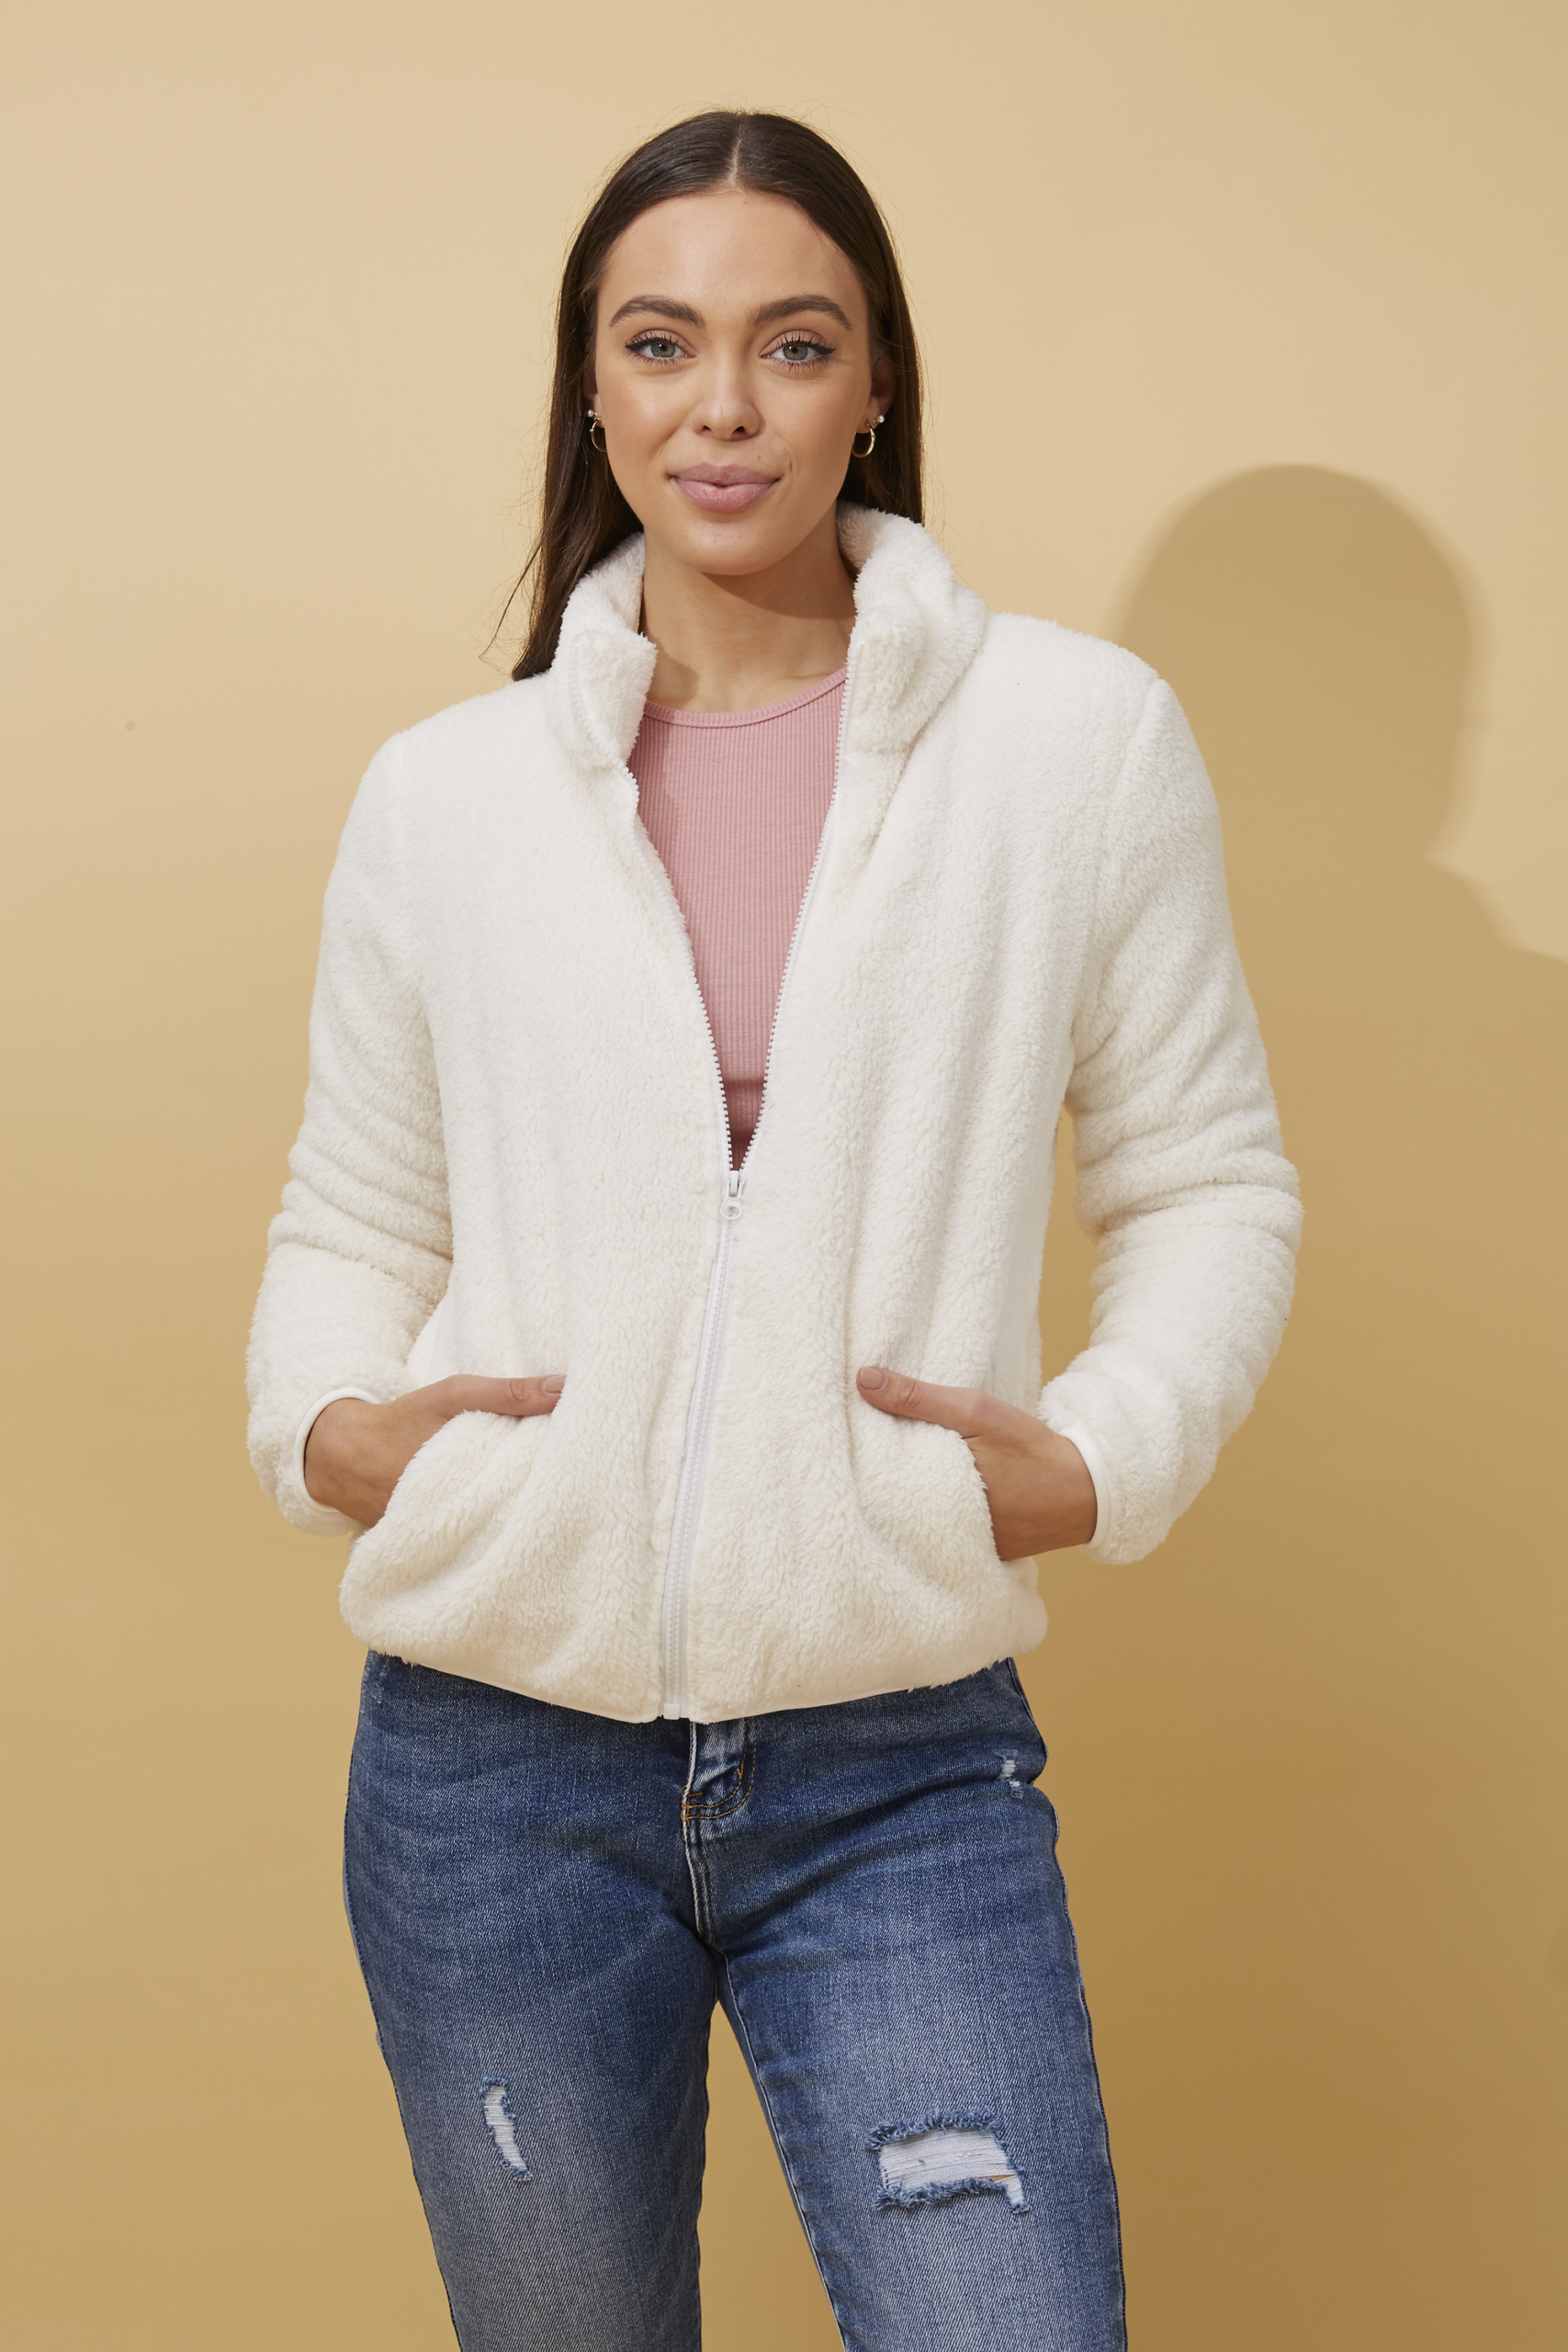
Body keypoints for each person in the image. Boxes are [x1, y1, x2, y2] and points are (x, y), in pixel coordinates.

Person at [247, 109, 1300, 2352]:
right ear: (591, 386)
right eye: (660, 344)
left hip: (891, 1753)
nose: (720, 406)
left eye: (789, 344)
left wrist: (1100, 1454)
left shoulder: (1071, 745)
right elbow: (351, 1204)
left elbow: (1204, 1174)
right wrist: (334, 1425)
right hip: (489, 1765)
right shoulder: (447, 798)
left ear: (873, 381)